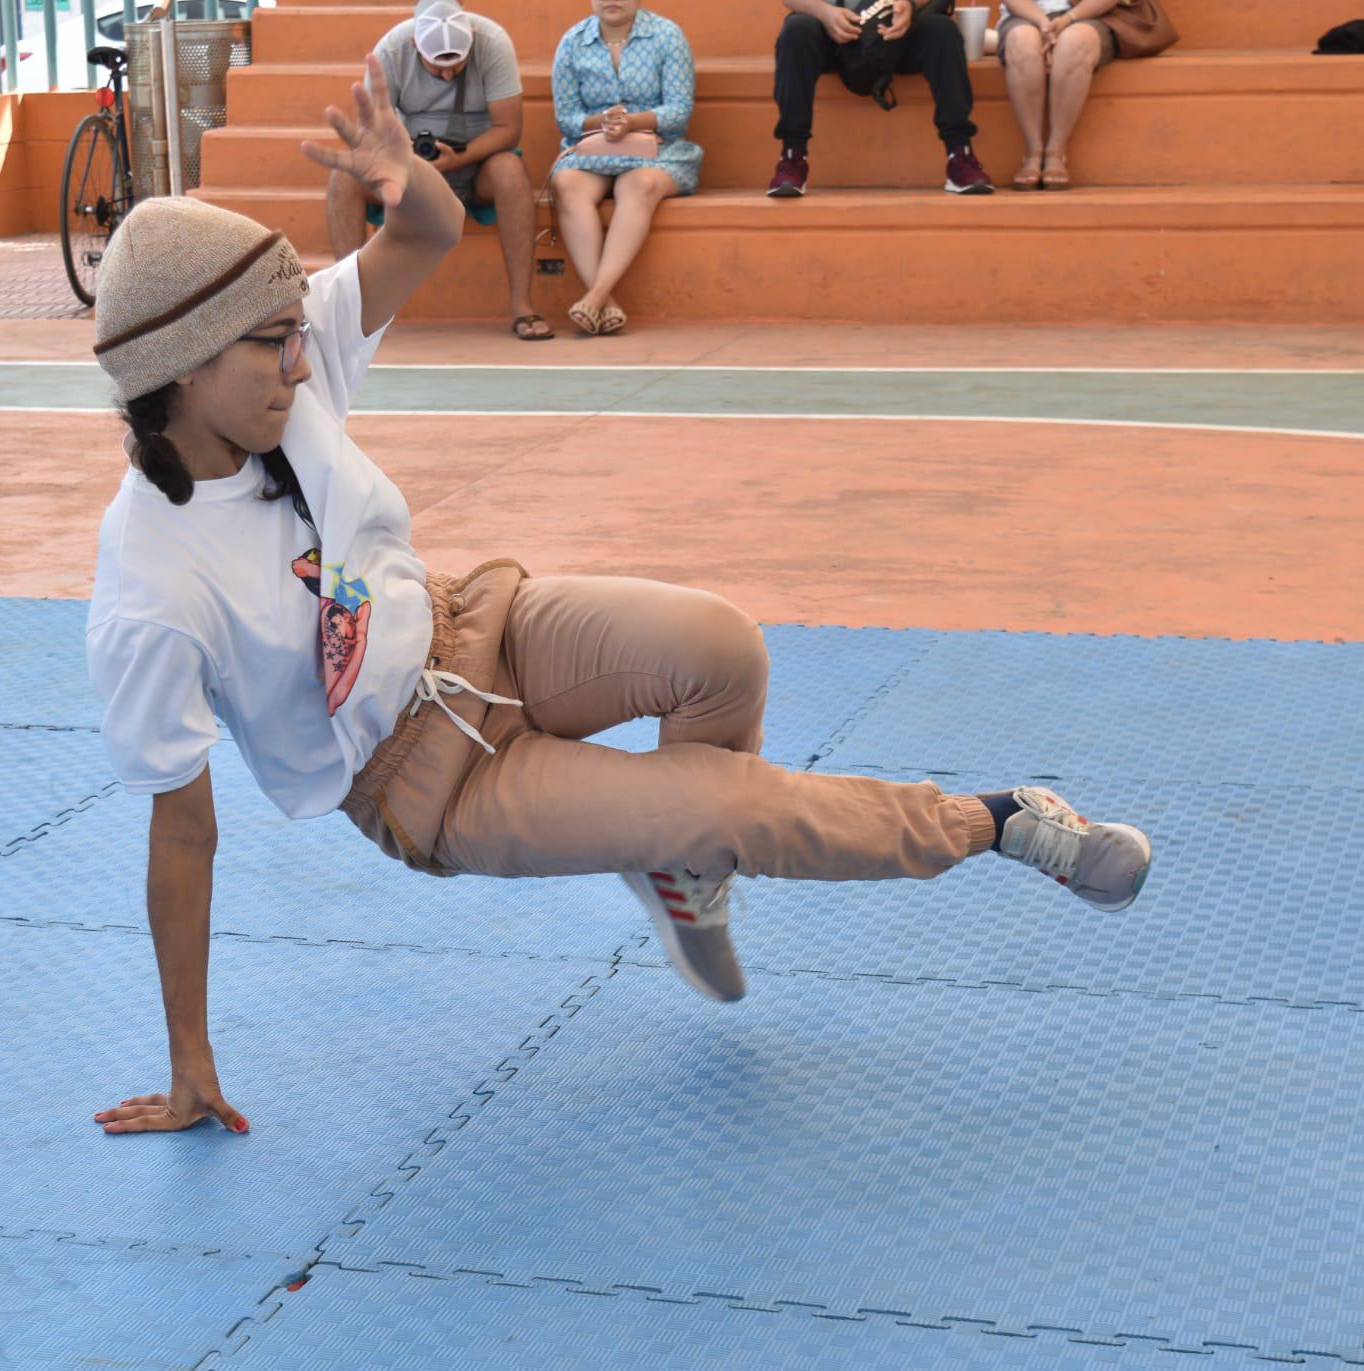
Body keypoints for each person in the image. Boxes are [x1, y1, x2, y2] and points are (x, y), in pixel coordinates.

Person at [84, 54, 1152, 1137]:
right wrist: (190, 1061)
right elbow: (183, 835)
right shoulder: (151, 585)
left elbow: (425, 236)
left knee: (720, 648)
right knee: (728, 804)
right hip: (428, 783)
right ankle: (999, 822)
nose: (301, 364)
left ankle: (684, 876)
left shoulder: (274, 358)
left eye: (295, 336)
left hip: (474, 626)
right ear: (181, 367)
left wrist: (405, 176)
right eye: (272, 347)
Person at [326, 0, 554, 341]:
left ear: (472, 39)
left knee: (510, 171)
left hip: (477, 163)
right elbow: (372, 134)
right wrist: (409, 161)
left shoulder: (493, 41)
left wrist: (458, 159)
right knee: (343, 176)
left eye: (456, 65)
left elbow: (509, 129)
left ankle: (522, 305)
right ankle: (351, 310)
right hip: (408, 167)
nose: (447, 75)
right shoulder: (390, 50)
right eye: (437, 68)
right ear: (416, 45)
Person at [548, 0, 701, 336]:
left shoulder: (667, 36)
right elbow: (567, 118)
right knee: (566, 184)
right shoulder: (572, 42)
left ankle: (596, 295)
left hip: (659, 149)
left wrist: (632, 122)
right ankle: (606, 300)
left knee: (639, 184)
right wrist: (600, 123)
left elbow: (679, 110)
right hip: (595, 148)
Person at [769, 0, 994, 196]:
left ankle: (960, 154)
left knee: (943, 30)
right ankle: (792, 156)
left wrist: (910, 5)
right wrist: (825, 13)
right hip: (831, 32)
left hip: (898, 34)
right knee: (796, 29)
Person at [998, 0, 1121, 189]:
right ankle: (1033, 152)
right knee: (1022, 39)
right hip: (1026, 16)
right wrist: (1044, 25)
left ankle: (1056, 151)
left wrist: (1067, 19)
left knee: (1075, 40)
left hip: (1091, 15)